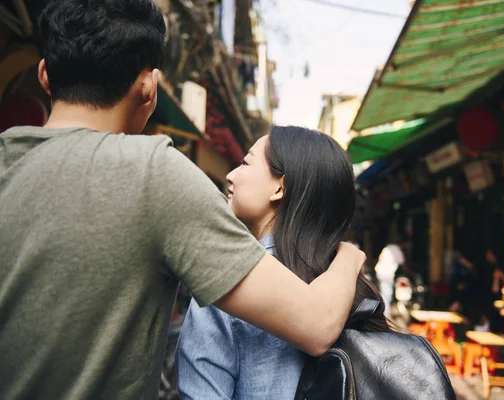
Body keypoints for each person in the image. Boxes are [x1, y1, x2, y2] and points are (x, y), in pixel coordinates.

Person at [0, 2, 366, 399]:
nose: (229, 175)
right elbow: (315, 325)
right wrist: (350, 255)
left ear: (44, 75)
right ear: (148, 86)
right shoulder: (155, 174)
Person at [177, 126, 390, 399]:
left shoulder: (228, 288)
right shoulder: (350, 282)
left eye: (245, 163)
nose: (230, 175)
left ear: (280, 188)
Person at [374, 239, 408, 318]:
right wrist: (410, 273)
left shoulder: (388, 247)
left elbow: (380, 257)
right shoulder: (398, 250)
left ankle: (384, 312)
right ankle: (386, 314)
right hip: (387, 273)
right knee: (387, 293)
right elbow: (403, 264)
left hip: (380, 272)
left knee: (383, 292)